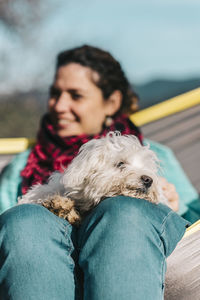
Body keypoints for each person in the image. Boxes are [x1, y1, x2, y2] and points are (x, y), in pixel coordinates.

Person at [0, 45, 189, 299]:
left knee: (123, 212)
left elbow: (194, 233)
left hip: (137, 251)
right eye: (55, 93)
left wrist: (177, 205)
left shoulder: (155, 154)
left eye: (75, 95)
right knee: (24, 220)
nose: (59, 105)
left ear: (111, 103)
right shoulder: (23, 165)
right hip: (44, 263)